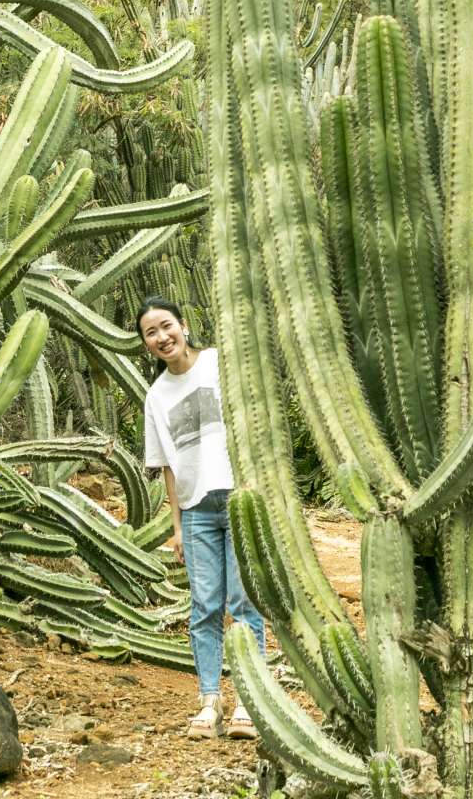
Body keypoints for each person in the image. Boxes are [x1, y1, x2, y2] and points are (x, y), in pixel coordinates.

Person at [137, 297, 265, 740]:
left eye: (166, 326)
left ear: (183, 325)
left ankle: (251, 701)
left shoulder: (217, 363)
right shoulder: (156, 396)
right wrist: (175, 526)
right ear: (145, 343)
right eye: (151, 333)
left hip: (239, 497)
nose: (161, 337)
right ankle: (210, 701)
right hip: (196, 511)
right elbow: (167, 466)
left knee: (243, 603)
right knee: (204, 608)